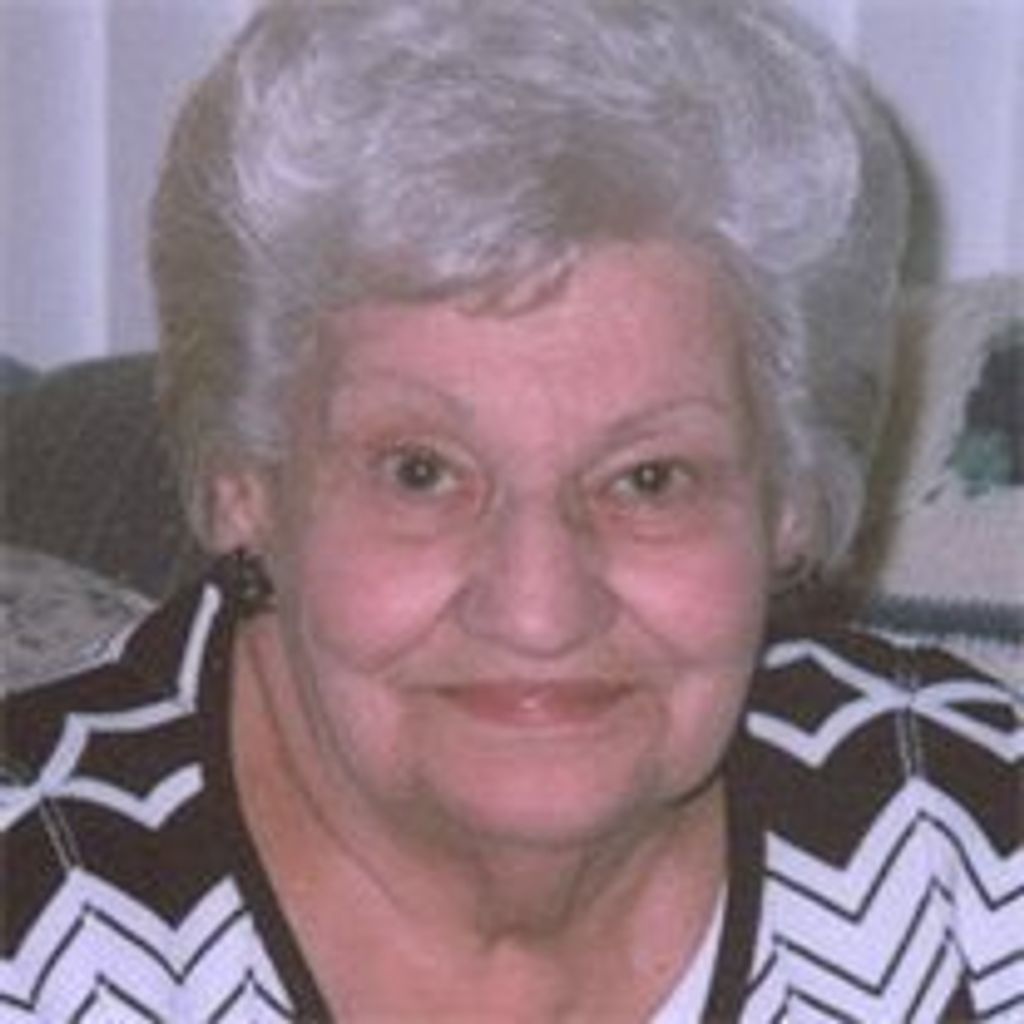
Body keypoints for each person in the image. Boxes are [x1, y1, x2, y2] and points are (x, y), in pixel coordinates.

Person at [2, 0, 1020, 1020]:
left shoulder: (956, 837)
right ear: (245, 483)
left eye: (649, 479)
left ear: (787, 501)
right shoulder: (39, 916)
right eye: (420, 473)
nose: (538, 611)